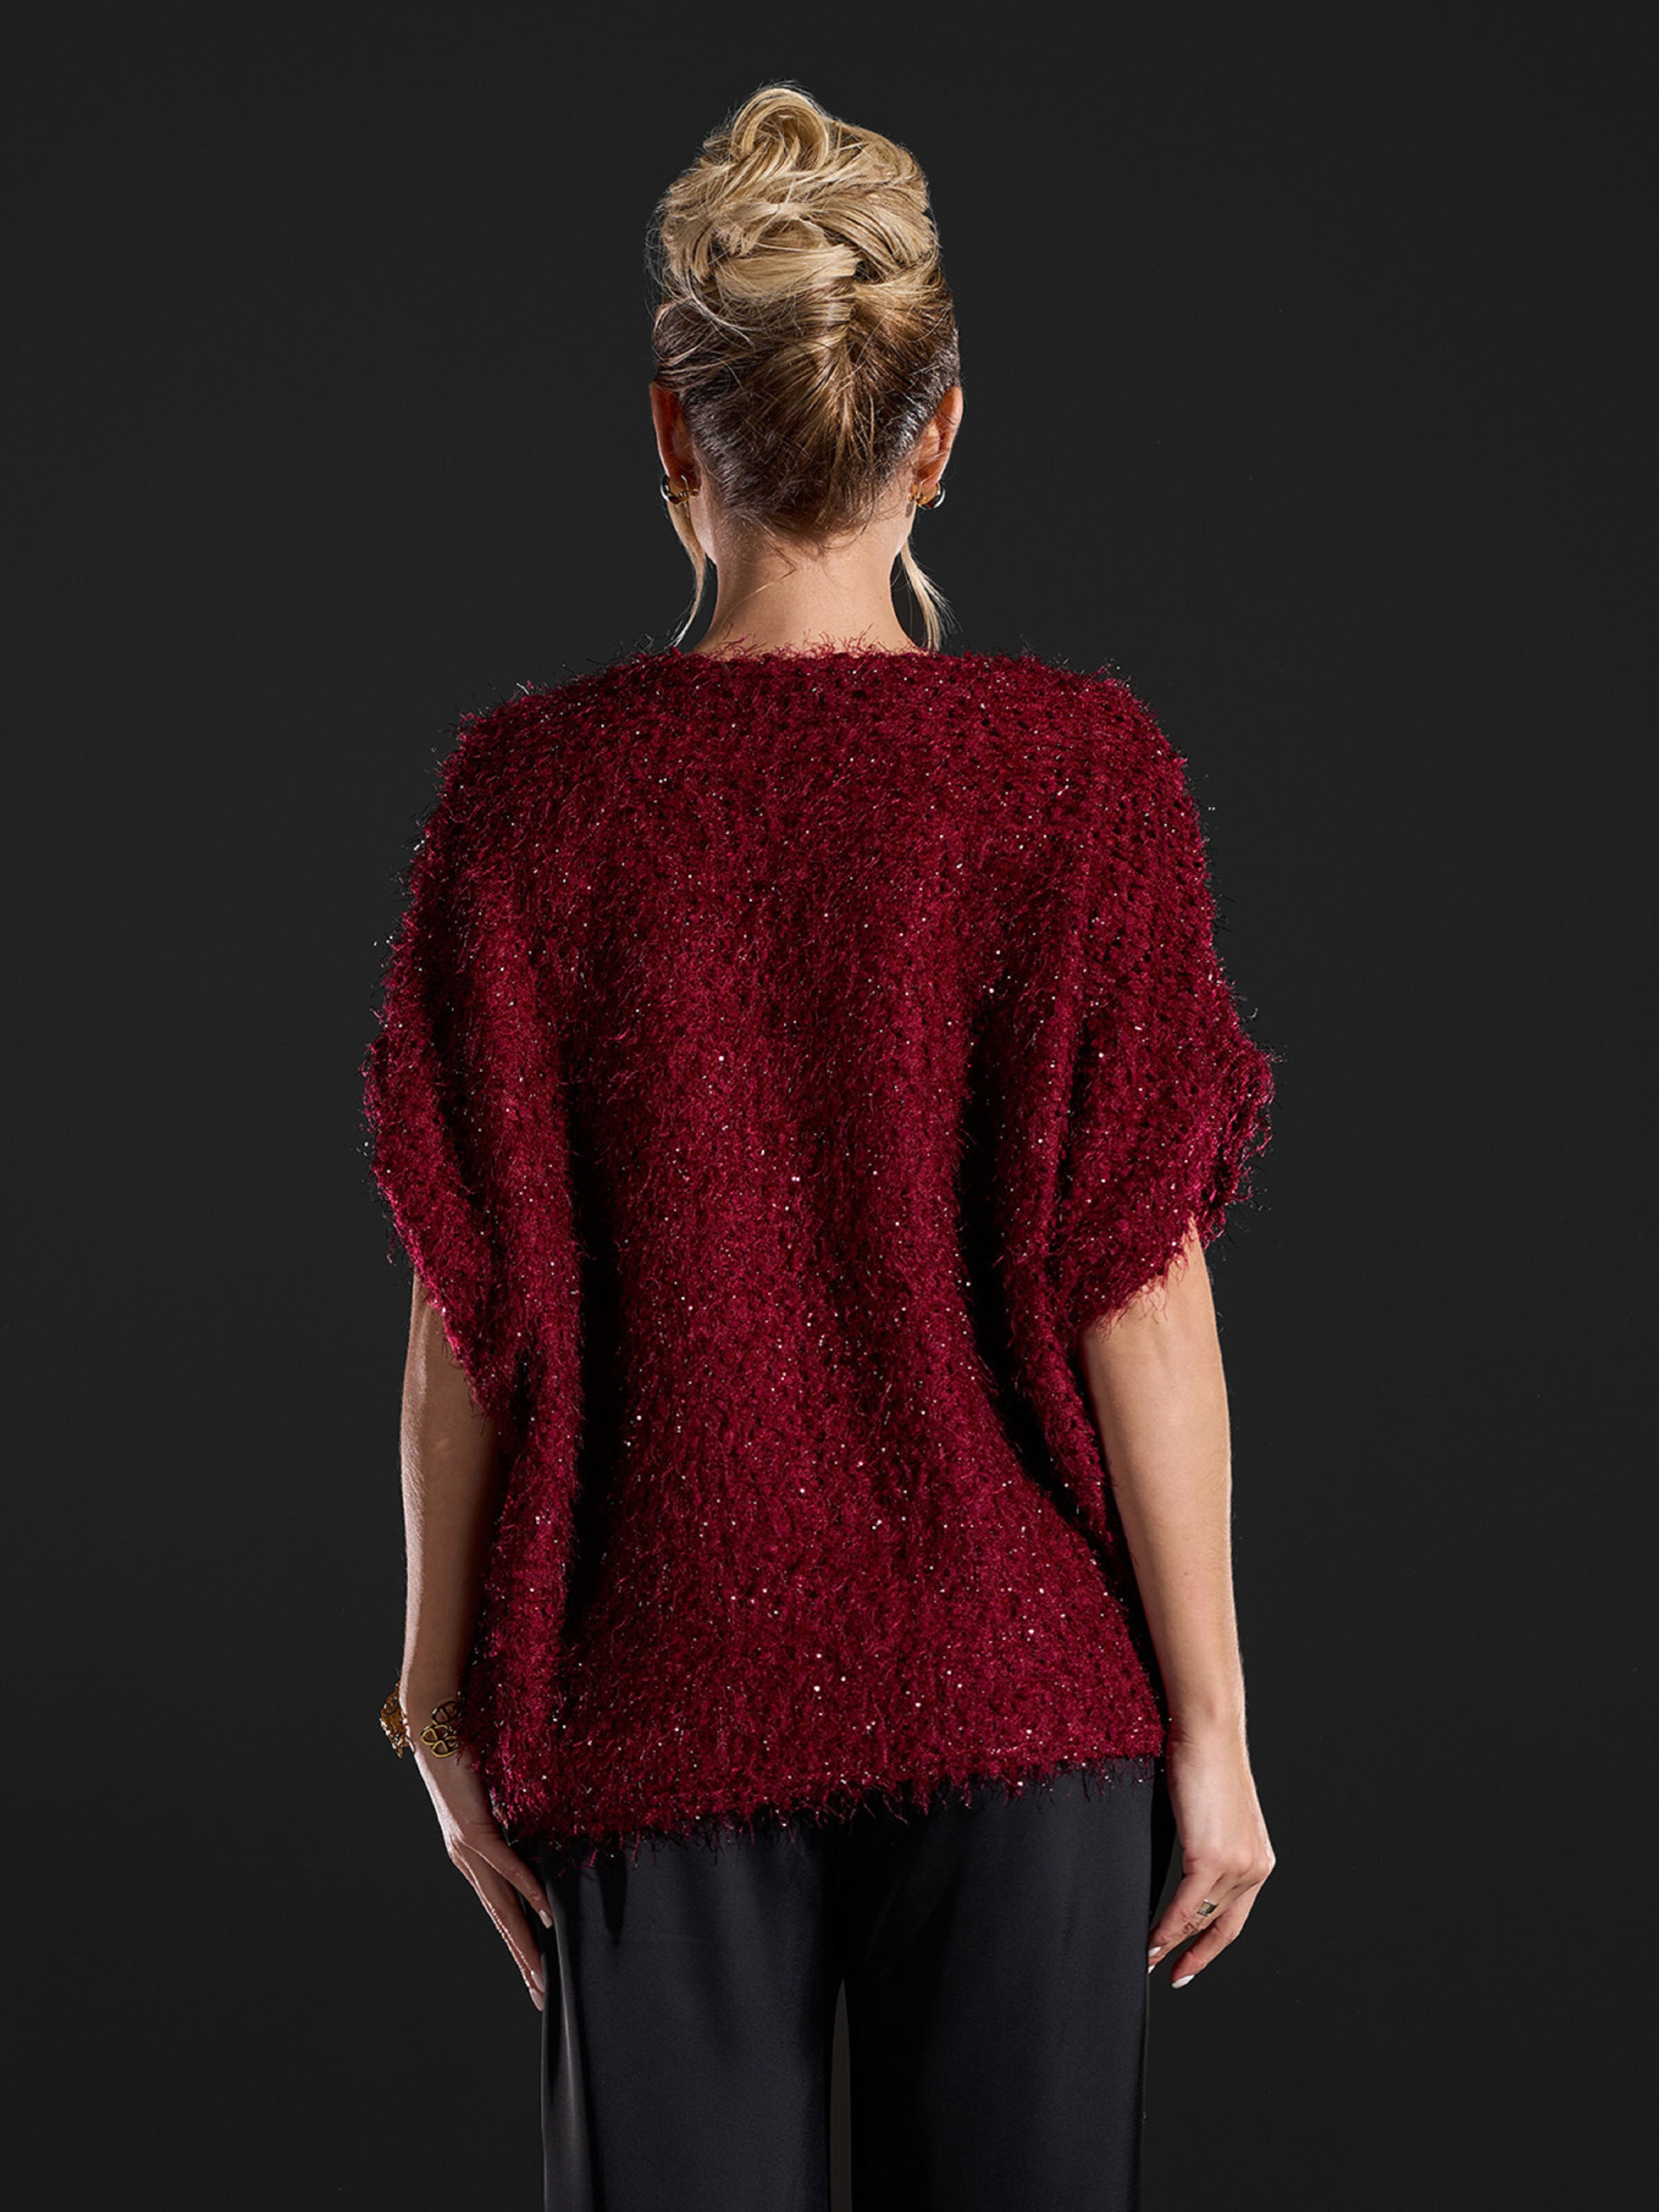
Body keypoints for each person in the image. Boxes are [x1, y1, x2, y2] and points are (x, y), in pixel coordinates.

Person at [365, 82, 1278, 2212]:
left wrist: (435, 1706)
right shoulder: (1078, 776)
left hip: (654, 1700)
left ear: (671, 438)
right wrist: (1215, 1729)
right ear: (936, 433)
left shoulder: (532, 797)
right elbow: (1140, 1291)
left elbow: (466, 1313)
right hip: (1021, 1690)